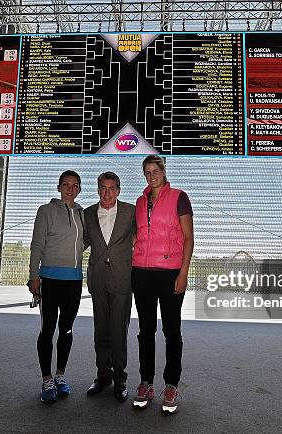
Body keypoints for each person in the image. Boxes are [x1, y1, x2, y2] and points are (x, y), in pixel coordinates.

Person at [131, 155, 194, 414]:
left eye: (156, 170)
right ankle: (146, 382)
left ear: (164, 171)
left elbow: (189, 238)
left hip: (170, 273)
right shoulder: (139, 201)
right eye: (147, 171)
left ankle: (171, 384)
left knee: (171, 331)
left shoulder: (179, 196)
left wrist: (183, 272)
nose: (151, 175)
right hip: (142, 273)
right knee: (145, 331)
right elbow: (138, 233)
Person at [28, 170, 85, 403]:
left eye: (75, 185)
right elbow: (37, 244)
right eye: (66, 184)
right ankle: (47, 378)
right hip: (50, 280)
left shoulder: (83, 214)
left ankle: (61, 375)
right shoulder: (46, 211)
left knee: (67, 330)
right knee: (48, 330)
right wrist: (34, 276)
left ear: (79, 189)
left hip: (74, 280)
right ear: (59, 187)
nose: (70, 189)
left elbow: (87, 241)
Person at [83, 172, 136, 402]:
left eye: (112, 188)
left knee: (118, 332)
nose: (107, 192)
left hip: (123, 279)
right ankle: (103, 375)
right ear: (97, 189)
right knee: (100, 331)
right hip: (98, 280)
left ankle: (120, 380)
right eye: (103, 188)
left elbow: (143, 234)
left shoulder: (130, 211)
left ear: (119, 190)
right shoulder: (87, 214)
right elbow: (79, 242)